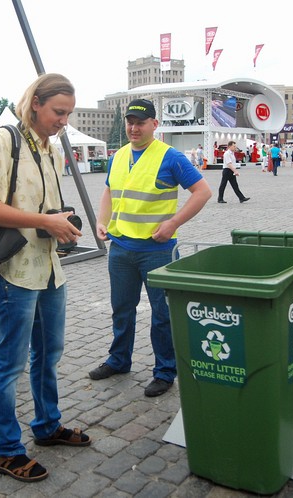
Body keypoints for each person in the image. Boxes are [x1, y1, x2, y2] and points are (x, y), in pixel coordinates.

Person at [0, 73, 90, 483]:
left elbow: (47, 209)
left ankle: (47, 426)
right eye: (59, 112)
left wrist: (61, 222)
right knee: (8, 365)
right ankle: (5, 450)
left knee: (48, 354)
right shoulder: (3, 141)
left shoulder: (51, 148)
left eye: (69, 114)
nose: (63, 121)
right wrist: (43, 219)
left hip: (51, 269)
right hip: (15, 273)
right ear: (35, 102)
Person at [89, 99, 212, 397]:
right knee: (121, 309)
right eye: (130, 121)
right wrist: (101, 221)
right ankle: (119, 360)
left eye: (140, 122)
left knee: (163, 314)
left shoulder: (171, 157)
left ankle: (165, 370)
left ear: (154, 125)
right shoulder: (118, 156)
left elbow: (203, 192)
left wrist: (173, 223)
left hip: (157, 250)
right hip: (120, 248)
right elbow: (109, 190)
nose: (133, 127)